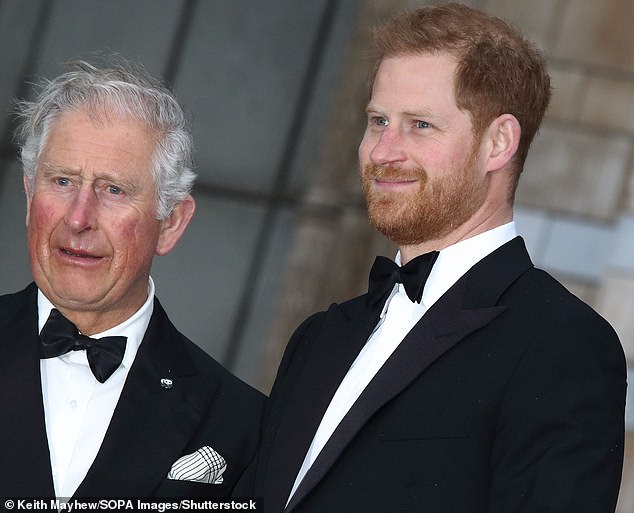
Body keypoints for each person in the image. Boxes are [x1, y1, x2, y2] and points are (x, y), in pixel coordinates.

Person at [238, 4, 627, 512]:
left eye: (419, 125)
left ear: (498, 143)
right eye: (378, 121)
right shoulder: (319, 336)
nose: (383, 151)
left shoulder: (562, 346)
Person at [0, 57, 264, 499]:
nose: (79, 218)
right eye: (63, 181)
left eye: (113, 190)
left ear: (171, 223)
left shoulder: (241, 426)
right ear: (30, 195)